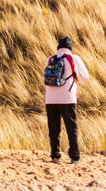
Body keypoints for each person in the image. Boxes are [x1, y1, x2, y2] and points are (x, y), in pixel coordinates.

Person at [44, 36, 91, 164]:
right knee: (71, 127)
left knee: (53, 128)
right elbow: (84, 78)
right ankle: (74, 157)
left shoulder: (50, 59)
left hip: (50, 98)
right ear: (70, 48)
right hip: (67, 97)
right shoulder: (73, 58)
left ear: (58, 48)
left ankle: (55, 155)